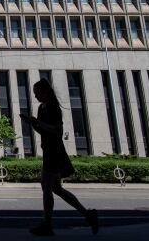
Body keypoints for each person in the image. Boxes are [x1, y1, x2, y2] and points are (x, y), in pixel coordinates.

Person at [22, 79, 99, 237]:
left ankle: (47, 224)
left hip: (54, 151)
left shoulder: (53, 107)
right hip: (48, 150)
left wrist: (38, 123)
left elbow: (57, 130)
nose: (35, 96)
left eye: (37, 92)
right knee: (55, 188)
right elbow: (44, 131)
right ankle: (87, 215)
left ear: (45, 92)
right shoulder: (42, 108)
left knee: (47, 186)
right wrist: (32, 123)